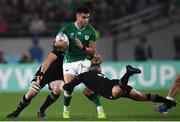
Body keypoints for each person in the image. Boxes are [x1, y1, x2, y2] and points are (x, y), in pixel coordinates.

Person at [56, 7, 106, 119]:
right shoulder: (67, 28)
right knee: (69, 89)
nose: (86, 20)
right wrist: (61, 44)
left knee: (87, 85)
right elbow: (56, 43)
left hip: (84, 61)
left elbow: (92, 51)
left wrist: (84, 48)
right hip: (68, 61)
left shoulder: (91, 31)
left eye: (88, 17)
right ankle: (66, 111)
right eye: (84, 17)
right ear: (77, 16)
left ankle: (100, 111)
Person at [60, 65, 177, 112]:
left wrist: (62, 83)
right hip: (114, 82)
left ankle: (128, 73)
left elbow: (68, 87)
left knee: (118, 91)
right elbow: (97, 68)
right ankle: (168, 102)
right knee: (143, 96)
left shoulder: (81, 76)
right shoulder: (96, 71)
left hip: (108, 89)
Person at [6, 48, 64, 118]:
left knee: (57, 90)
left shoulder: (76, 54)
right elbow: (48, 60)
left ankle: (41, 110)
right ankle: (16, 112)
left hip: (58, 75)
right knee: (31, 93)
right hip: (45, 72)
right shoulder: (60, 50)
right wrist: (41, 73)